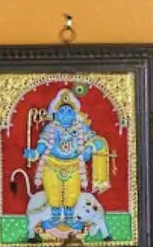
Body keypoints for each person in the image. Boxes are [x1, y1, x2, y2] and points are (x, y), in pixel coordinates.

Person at [23, 88, 109, 233]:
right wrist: (35, 153)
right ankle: (54, 218)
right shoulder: (51, 128)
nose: (65, 115)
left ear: (75, 114)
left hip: (74, 166)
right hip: (51, 165)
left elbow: (96, 141)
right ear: (55, 114)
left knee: (72, 193)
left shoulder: (81, 128)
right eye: (62, 111)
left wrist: (90, 147)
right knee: (53, 192)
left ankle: (70, 219)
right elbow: (43, 144)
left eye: (69, 111)